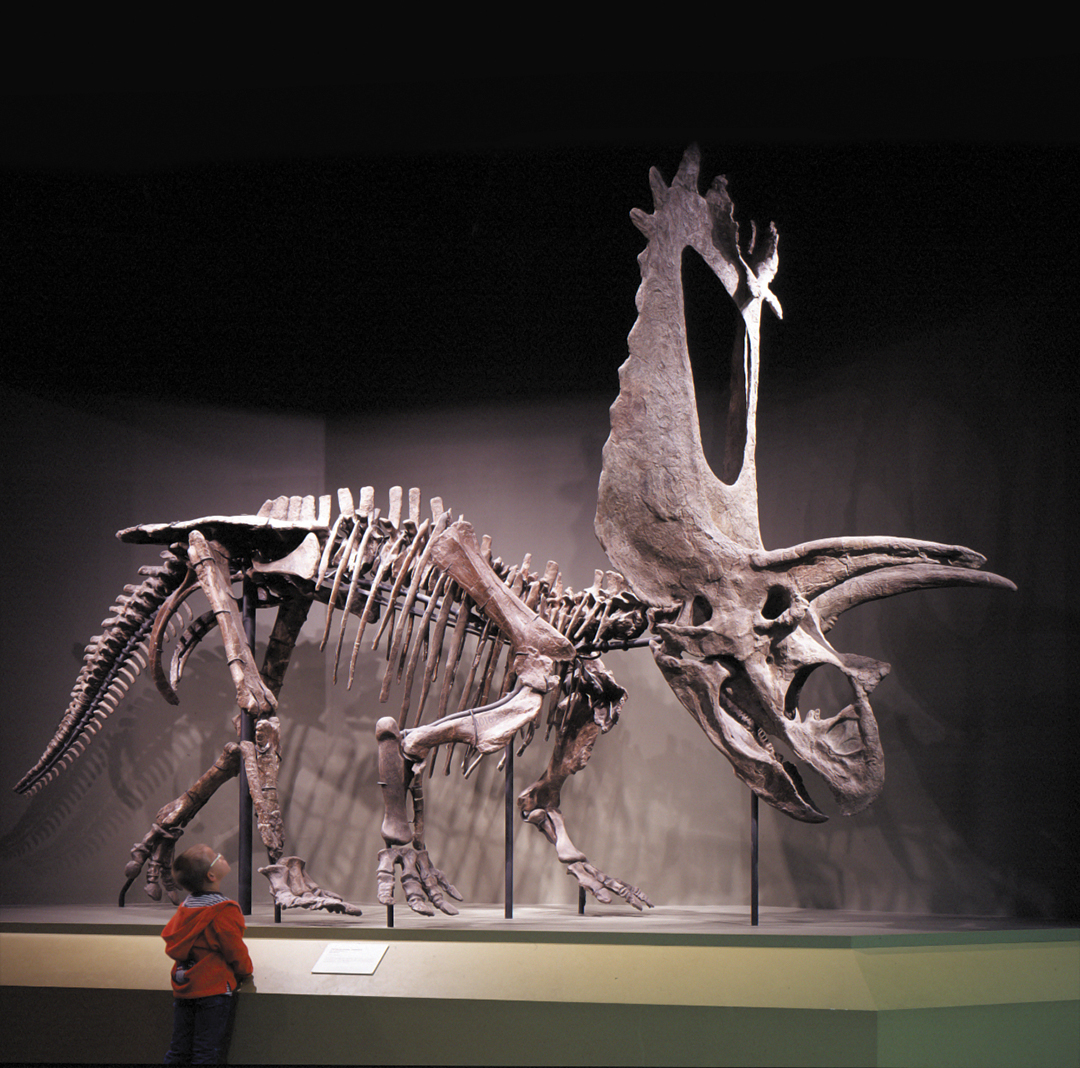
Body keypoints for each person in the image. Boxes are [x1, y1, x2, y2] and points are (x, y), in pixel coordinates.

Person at [162, 845, 254, 1064]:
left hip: (185, 987)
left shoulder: (185, 907)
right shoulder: (224, 909)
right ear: (211, 875)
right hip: (213, 990)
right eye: (216, 857)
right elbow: (233, 947)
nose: (222, 856)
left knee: (179, 1049)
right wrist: (246, 970)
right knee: (206, 1051)